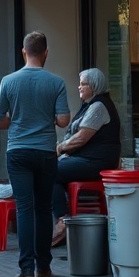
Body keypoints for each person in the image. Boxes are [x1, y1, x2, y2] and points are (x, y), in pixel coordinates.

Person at [0, 31, 71, 277]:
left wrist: (15, 121)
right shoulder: (56, 82)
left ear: (23, 52)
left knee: (24, 208)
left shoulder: (8, 81)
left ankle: (26, 270)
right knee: (44, 208)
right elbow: (63, 120)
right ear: (46, 52)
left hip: (18, 152)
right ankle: (44, 266)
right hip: (46, 152)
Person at [50, 68, 121, 246]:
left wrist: (59, 149)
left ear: (94, 86)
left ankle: (62, 220)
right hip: (86, 159)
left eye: (83, 84)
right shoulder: (90, 105)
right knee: (50, 170)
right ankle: (62, 218)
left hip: (96, 162)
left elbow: (81, 138)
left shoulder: (99, 106)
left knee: (49, 171)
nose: (79, 87)